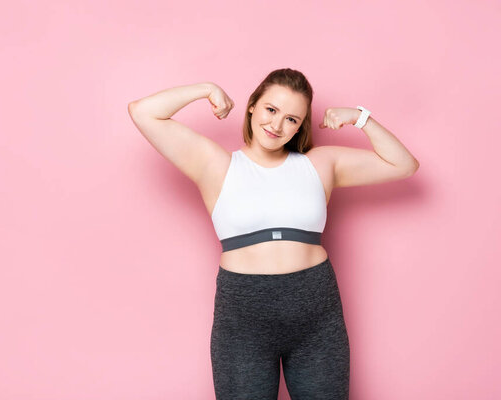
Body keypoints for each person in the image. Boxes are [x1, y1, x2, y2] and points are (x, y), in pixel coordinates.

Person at [127, 68, 419, 400]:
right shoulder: (216, 164)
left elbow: (404, 165)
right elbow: (143, 111)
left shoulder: (320, 164)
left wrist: (360, 118)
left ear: (301, 126)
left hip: (316, 310)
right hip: (243, 315)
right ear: (252, 106)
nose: (277, 125)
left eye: (292, 119)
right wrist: (206, 89)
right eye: (271, 110)